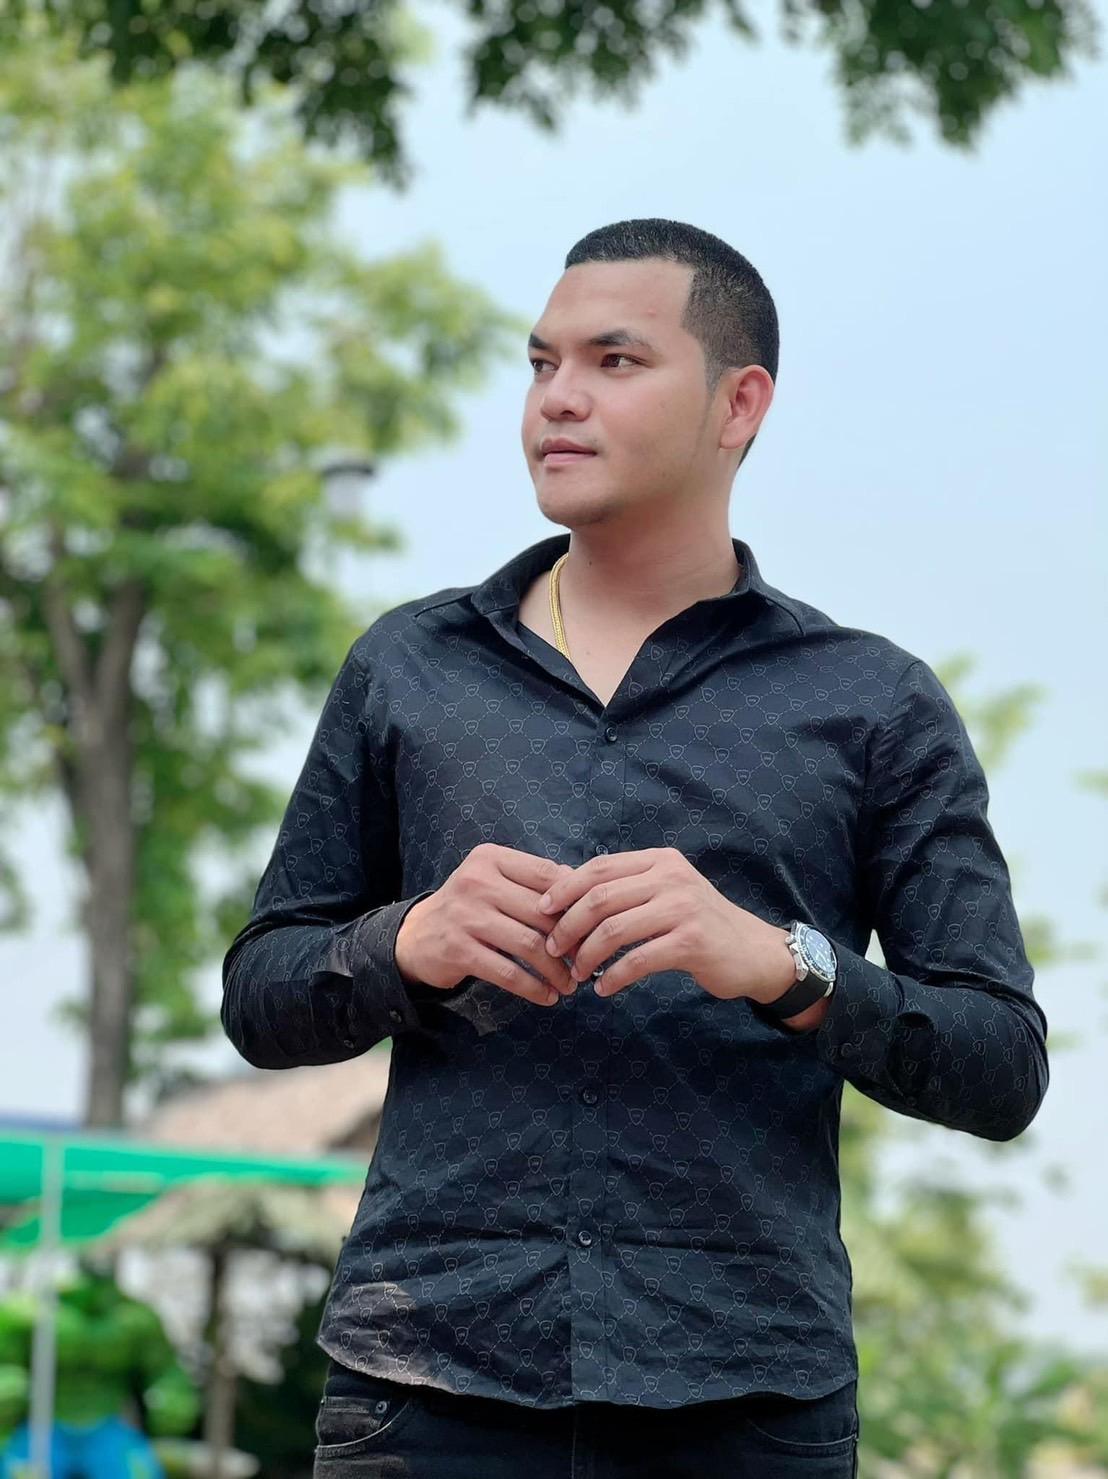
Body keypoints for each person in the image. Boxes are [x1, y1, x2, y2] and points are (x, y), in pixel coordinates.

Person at [221, 218, 1048, 1478]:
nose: (557, 398)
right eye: (540, 363)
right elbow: (260, 994)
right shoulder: (407, 668)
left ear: (739, 404)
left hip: (744, 1400)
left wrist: (781, 964)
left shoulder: (873, 705)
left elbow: (1000, 1065)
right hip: (426, 1385)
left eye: (614, 362)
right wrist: (408, 941)